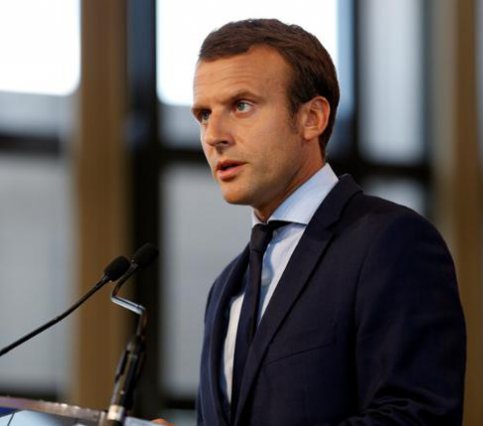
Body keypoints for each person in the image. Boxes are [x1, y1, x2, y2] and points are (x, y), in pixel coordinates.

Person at [191, 19, 466, 425]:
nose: (214, 135)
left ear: (312, 118)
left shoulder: (390, 242)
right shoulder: (225, 288)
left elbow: (417, 417)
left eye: (241, 105)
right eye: (203, 114)